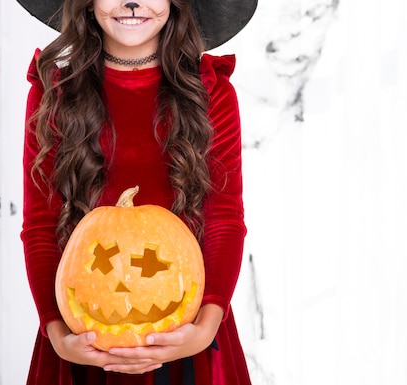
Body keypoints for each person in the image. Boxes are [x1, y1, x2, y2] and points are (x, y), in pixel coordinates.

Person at [17, 0, 257, 384]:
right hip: (83, 332)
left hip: (188, 329)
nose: (132, 3)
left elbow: (223, 218)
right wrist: (57, 333)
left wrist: (205, 327)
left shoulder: (210, 92)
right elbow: (42, 225)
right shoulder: (55, 94)